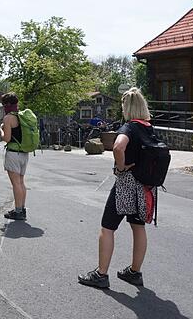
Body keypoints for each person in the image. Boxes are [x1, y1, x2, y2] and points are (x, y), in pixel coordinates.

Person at [78, 87, 155, 289]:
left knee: (107, 227)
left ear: (127, 107)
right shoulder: (149, 127)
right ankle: (134, 272)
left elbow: (118, 147)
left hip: (126, 184)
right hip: (145, 186)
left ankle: (101, 274)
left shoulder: (129, 127)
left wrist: (121, 168)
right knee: (138, 227)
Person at [0, 92, 30, 220]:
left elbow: (6, 138)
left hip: (13, 154)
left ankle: (17, 211)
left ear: (6, 104)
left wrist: (1, 129)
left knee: (16, 183)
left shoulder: (8, 118)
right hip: (24, 153)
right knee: (21, 182)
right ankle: (21, 209)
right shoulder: (22, 115)